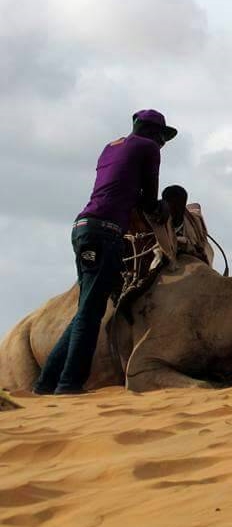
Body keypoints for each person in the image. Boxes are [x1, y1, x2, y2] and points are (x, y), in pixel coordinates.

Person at [32, 109, 177, 395]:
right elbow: (148, 200)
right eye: (162, 139)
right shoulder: (147, 148)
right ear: (155, 134)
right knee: (90, 313)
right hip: (106, 232)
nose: (162, 145)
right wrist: (162, 207)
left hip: (83, 227)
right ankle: (69, 383)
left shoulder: (111, 147)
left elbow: (117, 186)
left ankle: (46, 382)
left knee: (86, 309)